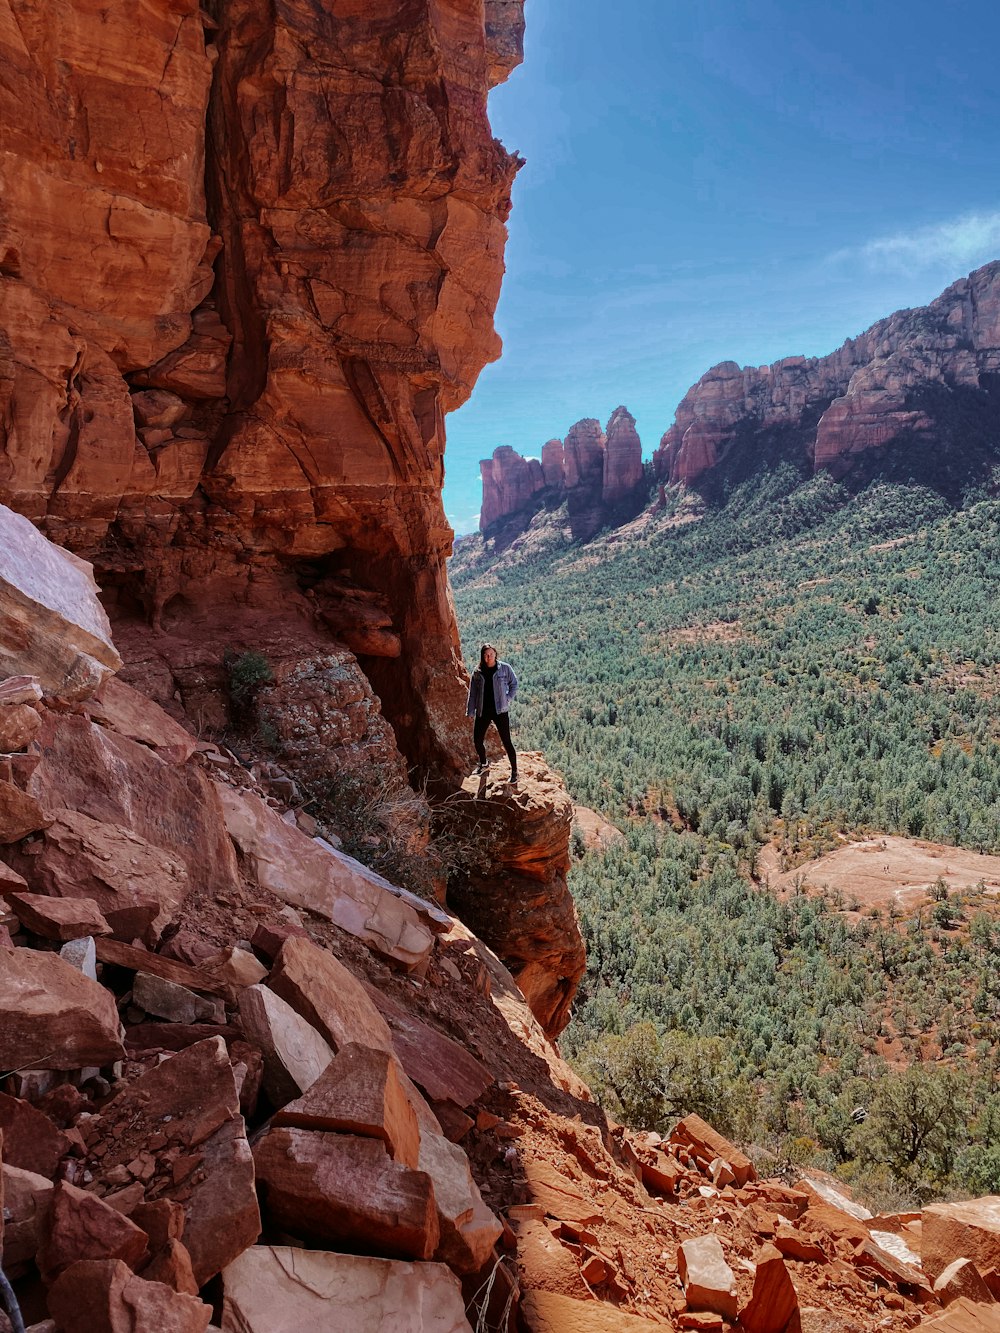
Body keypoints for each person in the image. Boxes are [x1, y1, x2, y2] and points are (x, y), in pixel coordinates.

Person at [466, 644, 519, 783]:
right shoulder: (477, 672)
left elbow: (514, 684)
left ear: (495, 654)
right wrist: (471, 711)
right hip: (483, 711)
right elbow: (473, 694)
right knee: (477, 740)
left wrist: (507, 698)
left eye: (490, 654)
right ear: (482, 656)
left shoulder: (504, 668)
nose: (488, 657)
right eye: (485, 655)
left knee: (507, 741)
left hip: (500, 711)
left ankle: (514, 771)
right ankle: (484, 763)